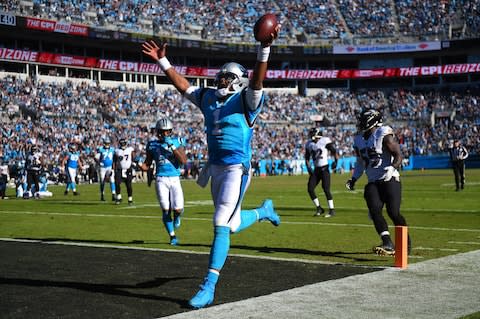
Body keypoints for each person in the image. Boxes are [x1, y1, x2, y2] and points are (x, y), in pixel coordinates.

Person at [142, 23, 281, 309]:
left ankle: (209, 286)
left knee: (220, 223)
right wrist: (163, 61)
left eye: (227, 77)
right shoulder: (207, 98)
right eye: (220, 77)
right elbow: (183, 86)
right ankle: (264, 211)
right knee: (232, 224)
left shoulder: (246, 99)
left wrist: (264, 48)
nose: (220, 81)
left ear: (239, 81)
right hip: (215, 167)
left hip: (235, 169)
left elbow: (257, 81)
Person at [345, 109, 411, 256]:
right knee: (374, 210)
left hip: (389, 179)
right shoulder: (359, 139)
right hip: (373, 181)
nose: (360, 123)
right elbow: (361, 162)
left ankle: (406, 242)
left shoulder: (383, 132)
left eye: (363, 120)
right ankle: (387, 242)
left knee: (393, 212)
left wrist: (392, 169)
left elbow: (398, 155)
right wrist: (354, 178)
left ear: (372, 120)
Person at [139, 117, 188, 245]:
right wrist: (139, 166)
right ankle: (172, 236)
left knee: (178, 209)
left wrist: (171, 146)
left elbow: (183, 161)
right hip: (161, 178)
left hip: (174, 178)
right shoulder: (152, 144)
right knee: (165, 209)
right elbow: (147, 164)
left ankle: (177, 217)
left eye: (167, 131)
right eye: (162, 131)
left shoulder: (177, 141)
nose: (164, 134)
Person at [305, 127, 339, 218]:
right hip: (316, 170)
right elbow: (307, 157)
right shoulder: (309, 144)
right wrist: (308, 167)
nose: (311, 136)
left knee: (326, 189)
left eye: (312, 134)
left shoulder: (324, 141)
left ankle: (332, 210)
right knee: (310, 188)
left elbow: (333, 150)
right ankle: (319, 208)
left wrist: (336, 162)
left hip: (324, 169)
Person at [114, 138, 136, 205]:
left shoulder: (130, 149)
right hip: (119, 169)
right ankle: (119, 197)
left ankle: (130, 199)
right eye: (121, 143)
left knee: (128, 185)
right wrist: (113, 169)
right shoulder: (117, 150)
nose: (122, 145)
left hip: (128, 169)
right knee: (117, 183)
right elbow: (114, 160)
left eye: (123, 143)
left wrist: (133, 162)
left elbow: (133, 156)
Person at [95, 137, 116, 201]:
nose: (107, 145)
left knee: (112, 180)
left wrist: (114, 166)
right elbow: (96, 157)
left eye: (108, 143)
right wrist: (99, 163)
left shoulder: (112, 149)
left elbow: (114, 158)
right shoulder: (101, 149)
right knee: (102, 181)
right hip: (102, 167)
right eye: (106, 143)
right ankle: (102, 194)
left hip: (110, 167)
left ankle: (113, 194)